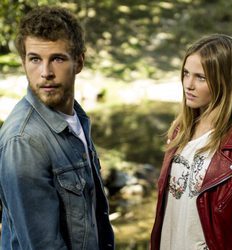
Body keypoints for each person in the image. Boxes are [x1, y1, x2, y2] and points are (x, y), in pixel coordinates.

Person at [0, 6, 114, 250]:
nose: (46, 73)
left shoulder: (76, 118)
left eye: (58, 58)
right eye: (35, 59)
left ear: (79, 61)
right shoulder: (25, 140)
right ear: (23, 63)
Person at [150, 34, 232, 250]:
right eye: (186, 74)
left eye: (200, 77)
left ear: (224, 81)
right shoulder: (180, 131)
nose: (189, 84)